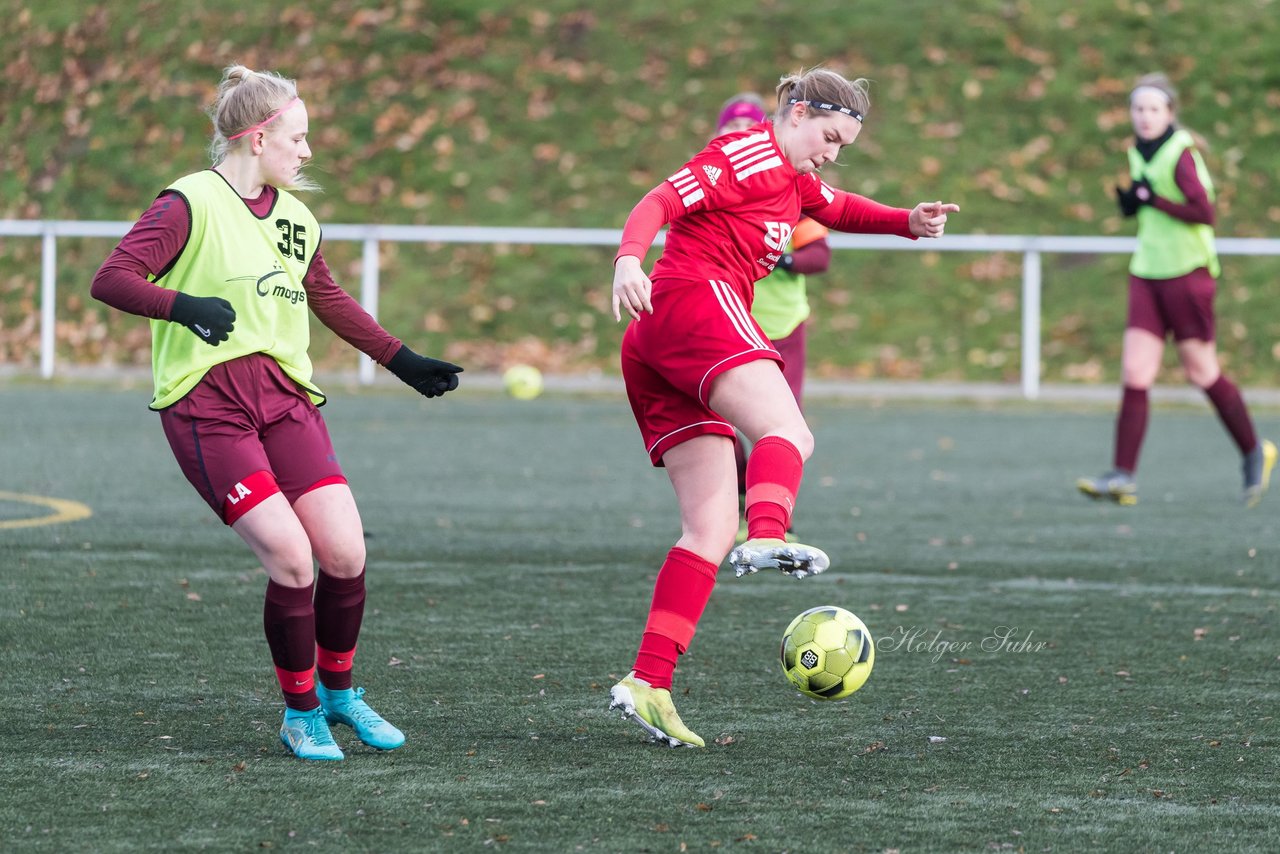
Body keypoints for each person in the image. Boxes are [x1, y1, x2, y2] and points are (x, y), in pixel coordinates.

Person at [90, 65, 463, 761]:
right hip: (208, 408)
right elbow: (111, 278)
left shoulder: (296, 217)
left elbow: (326, 298)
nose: (308, 151)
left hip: (286, 402)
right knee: (293, 560)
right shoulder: (189, 202)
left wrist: (401, 359)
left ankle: (339, 696)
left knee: (345, 552)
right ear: (258, 138)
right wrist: (185, 307)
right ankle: (300, 714)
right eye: (299, 137)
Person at [606, 67, 958, 747]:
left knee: (707, 532)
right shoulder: (746, 152)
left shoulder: (794, 177)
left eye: (842, 145)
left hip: (659, 339)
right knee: (789, 431)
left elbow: (839, 207)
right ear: (796, 112)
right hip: (690, 303)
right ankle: (768, 530)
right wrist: (628, 258)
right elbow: (659, 200)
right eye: (828, 136)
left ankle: (648, 682)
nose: (830, 152)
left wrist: (906, 223)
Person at [1077, 73, 1274, 507]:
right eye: (1138, 109)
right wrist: (1133, 203)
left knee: (1202, 372)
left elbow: (1204, 212)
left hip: (1187, 275)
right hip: (1147, 272)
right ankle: (1122, 475)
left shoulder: (1180, 153)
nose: (1144, 117)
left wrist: (1153, 200)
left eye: (1153, 109)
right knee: (1135, 373)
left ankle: (1254, 450)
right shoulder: (1138, 152)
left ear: (1169, 114)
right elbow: (1149, 204)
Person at [716, 92, 833, 539]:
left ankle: (774, 521)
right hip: (727, 322)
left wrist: (777, 259)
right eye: (732, 128)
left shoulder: (789, 184)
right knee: (719, 423)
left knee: (786, 426)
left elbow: (818, 256)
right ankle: (738, 506)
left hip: (782, 325)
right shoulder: (717, 181)